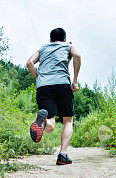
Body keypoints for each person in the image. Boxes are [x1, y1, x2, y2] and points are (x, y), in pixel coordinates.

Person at [26, 28, 81, 165]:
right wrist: (74, 81)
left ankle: (44, 121)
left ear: (50, 39)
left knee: (50, 122)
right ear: (64, 38)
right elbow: (77, 56)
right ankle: (62, 155)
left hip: (44, 87)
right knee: (68, 120)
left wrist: (38, 77)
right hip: (62, 84)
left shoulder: (43, 48)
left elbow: (29, 63)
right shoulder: (68, 45)